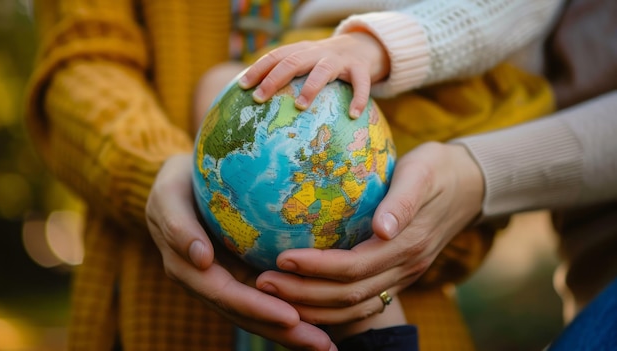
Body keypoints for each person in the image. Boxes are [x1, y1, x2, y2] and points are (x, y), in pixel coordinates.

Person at [25, 0, 565, 350]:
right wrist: (154, 172)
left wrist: (431, 226)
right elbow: (81, 63)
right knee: (219, 84)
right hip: (156, 314)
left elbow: (492, 88)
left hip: (392, 308)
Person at [235, 0, 617, 349]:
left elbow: (505, 9)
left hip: (449, 89)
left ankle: (375, 327)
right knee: (226, 88)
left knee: (367, 232)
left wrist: (375, 46)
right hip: (333, 55)